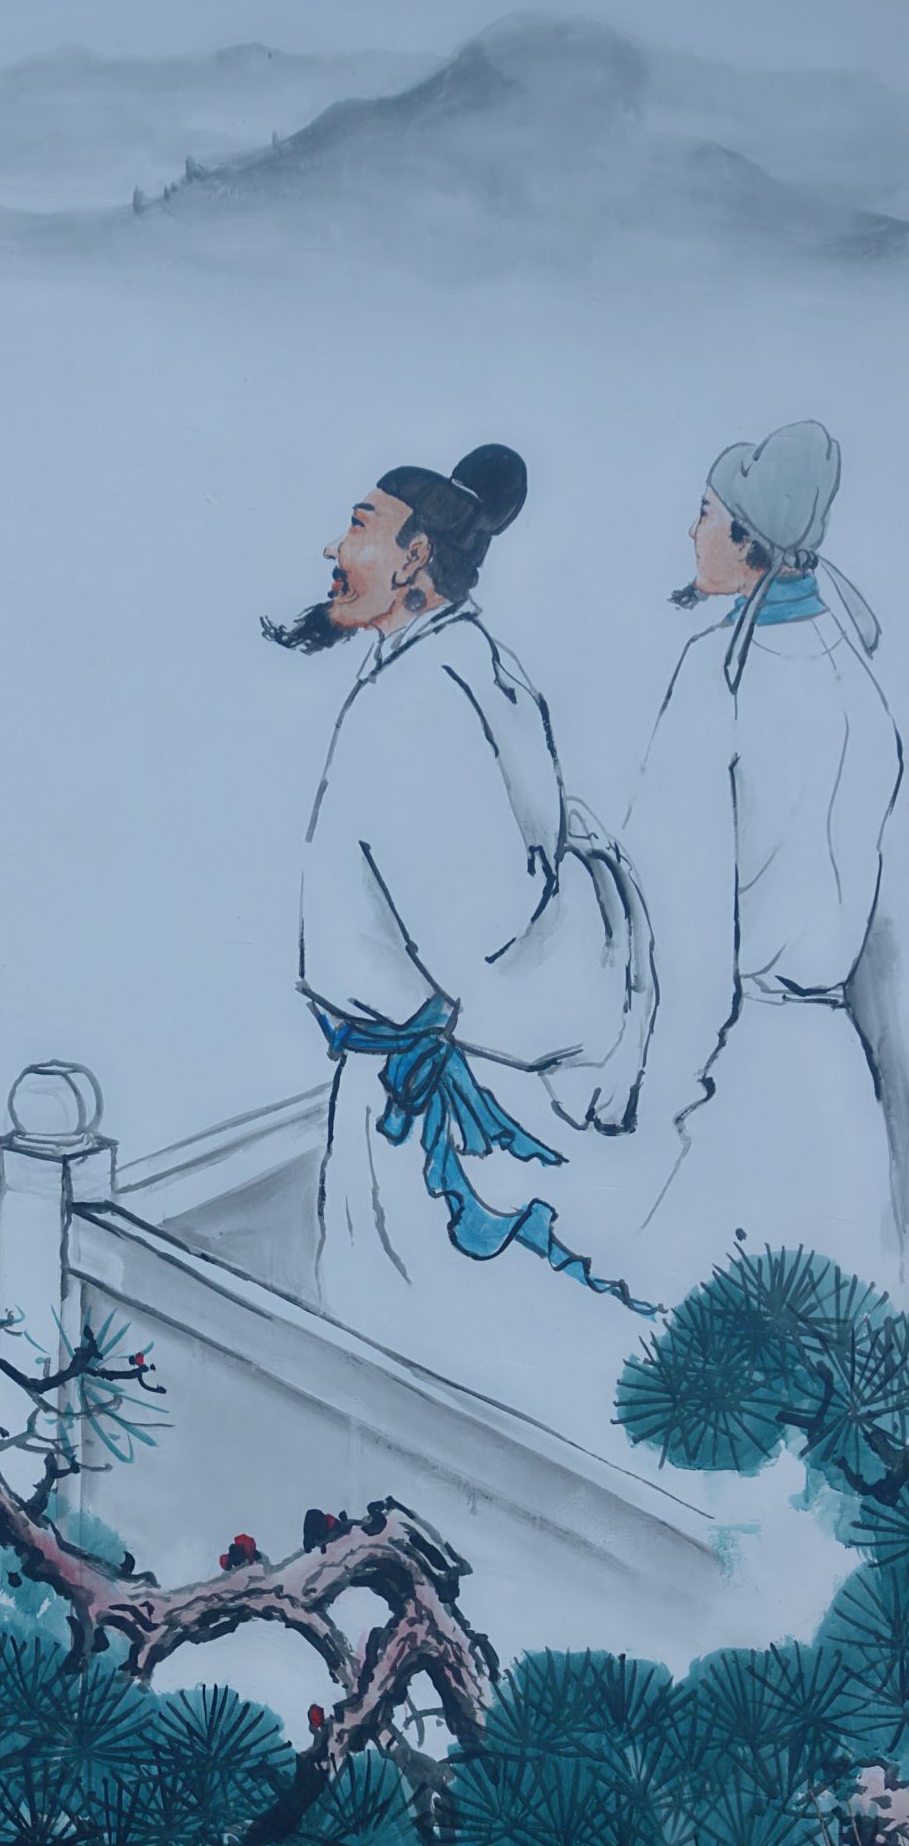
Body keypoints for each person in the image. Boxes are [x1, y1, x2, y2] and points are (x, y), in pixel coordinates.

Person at [262, 444, 657, 1428]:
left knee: (399, 1398)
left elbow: (487, 946)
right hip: (416, 1087)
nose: (333, 549)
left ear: (415, 560)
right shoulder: (456, 666)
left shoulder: (424, 702)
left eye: (358, 528)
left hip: (418, 1118)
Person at [626, 419, 906, 1298]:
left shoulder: (720, 675)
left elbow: (677, 916)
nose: (692, 530)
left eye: (706, 512)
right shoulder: (860, 685)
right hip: (838, 1090)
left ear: (748, 540)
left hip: (733, 1074)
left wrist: (657, 1100)